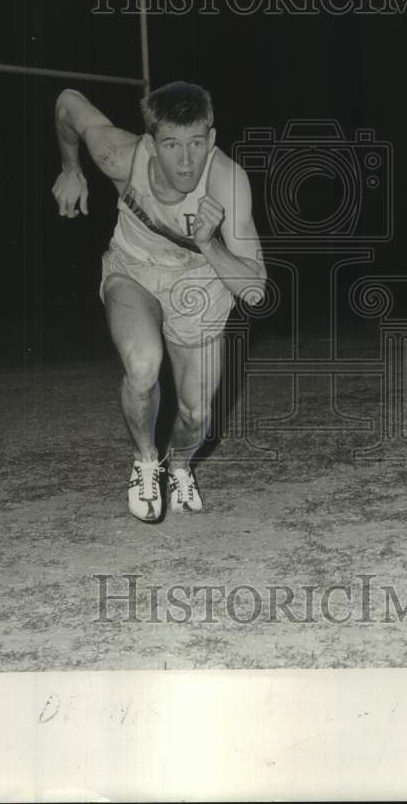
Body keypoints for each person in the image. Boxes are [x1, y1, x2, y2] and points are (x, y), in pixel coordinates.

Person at [52, 81, 266, 522]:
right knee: (143, 364)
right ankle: (147, 461)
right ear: (151, 142)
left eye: (196, 143)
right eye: (171, 144)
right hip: (133, 270)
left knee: (196, 412)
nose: (186, 161)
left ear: (212, 139)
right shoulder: (119, 155)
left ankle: (181, 467)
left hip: (201, 283)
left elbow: (253, 288)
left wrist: (209, 245)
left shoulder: (227, 183)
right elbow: (68, 104)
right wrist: (70, 167)